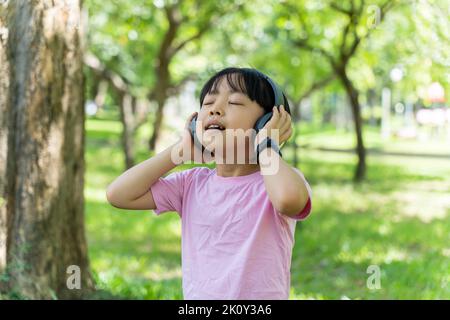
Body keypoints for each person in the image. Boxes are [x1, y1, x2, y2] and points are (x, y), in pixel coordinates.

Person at [106, 67, 313, 299]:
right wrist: (178, 152)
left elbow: (288, 200)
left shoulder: (276, 181)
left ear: (266, 121)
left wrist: (266, 145)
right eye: (209, 102)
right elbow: (119, 194)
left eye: (234, 102)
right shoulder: (191, 183)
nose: (215, 108)